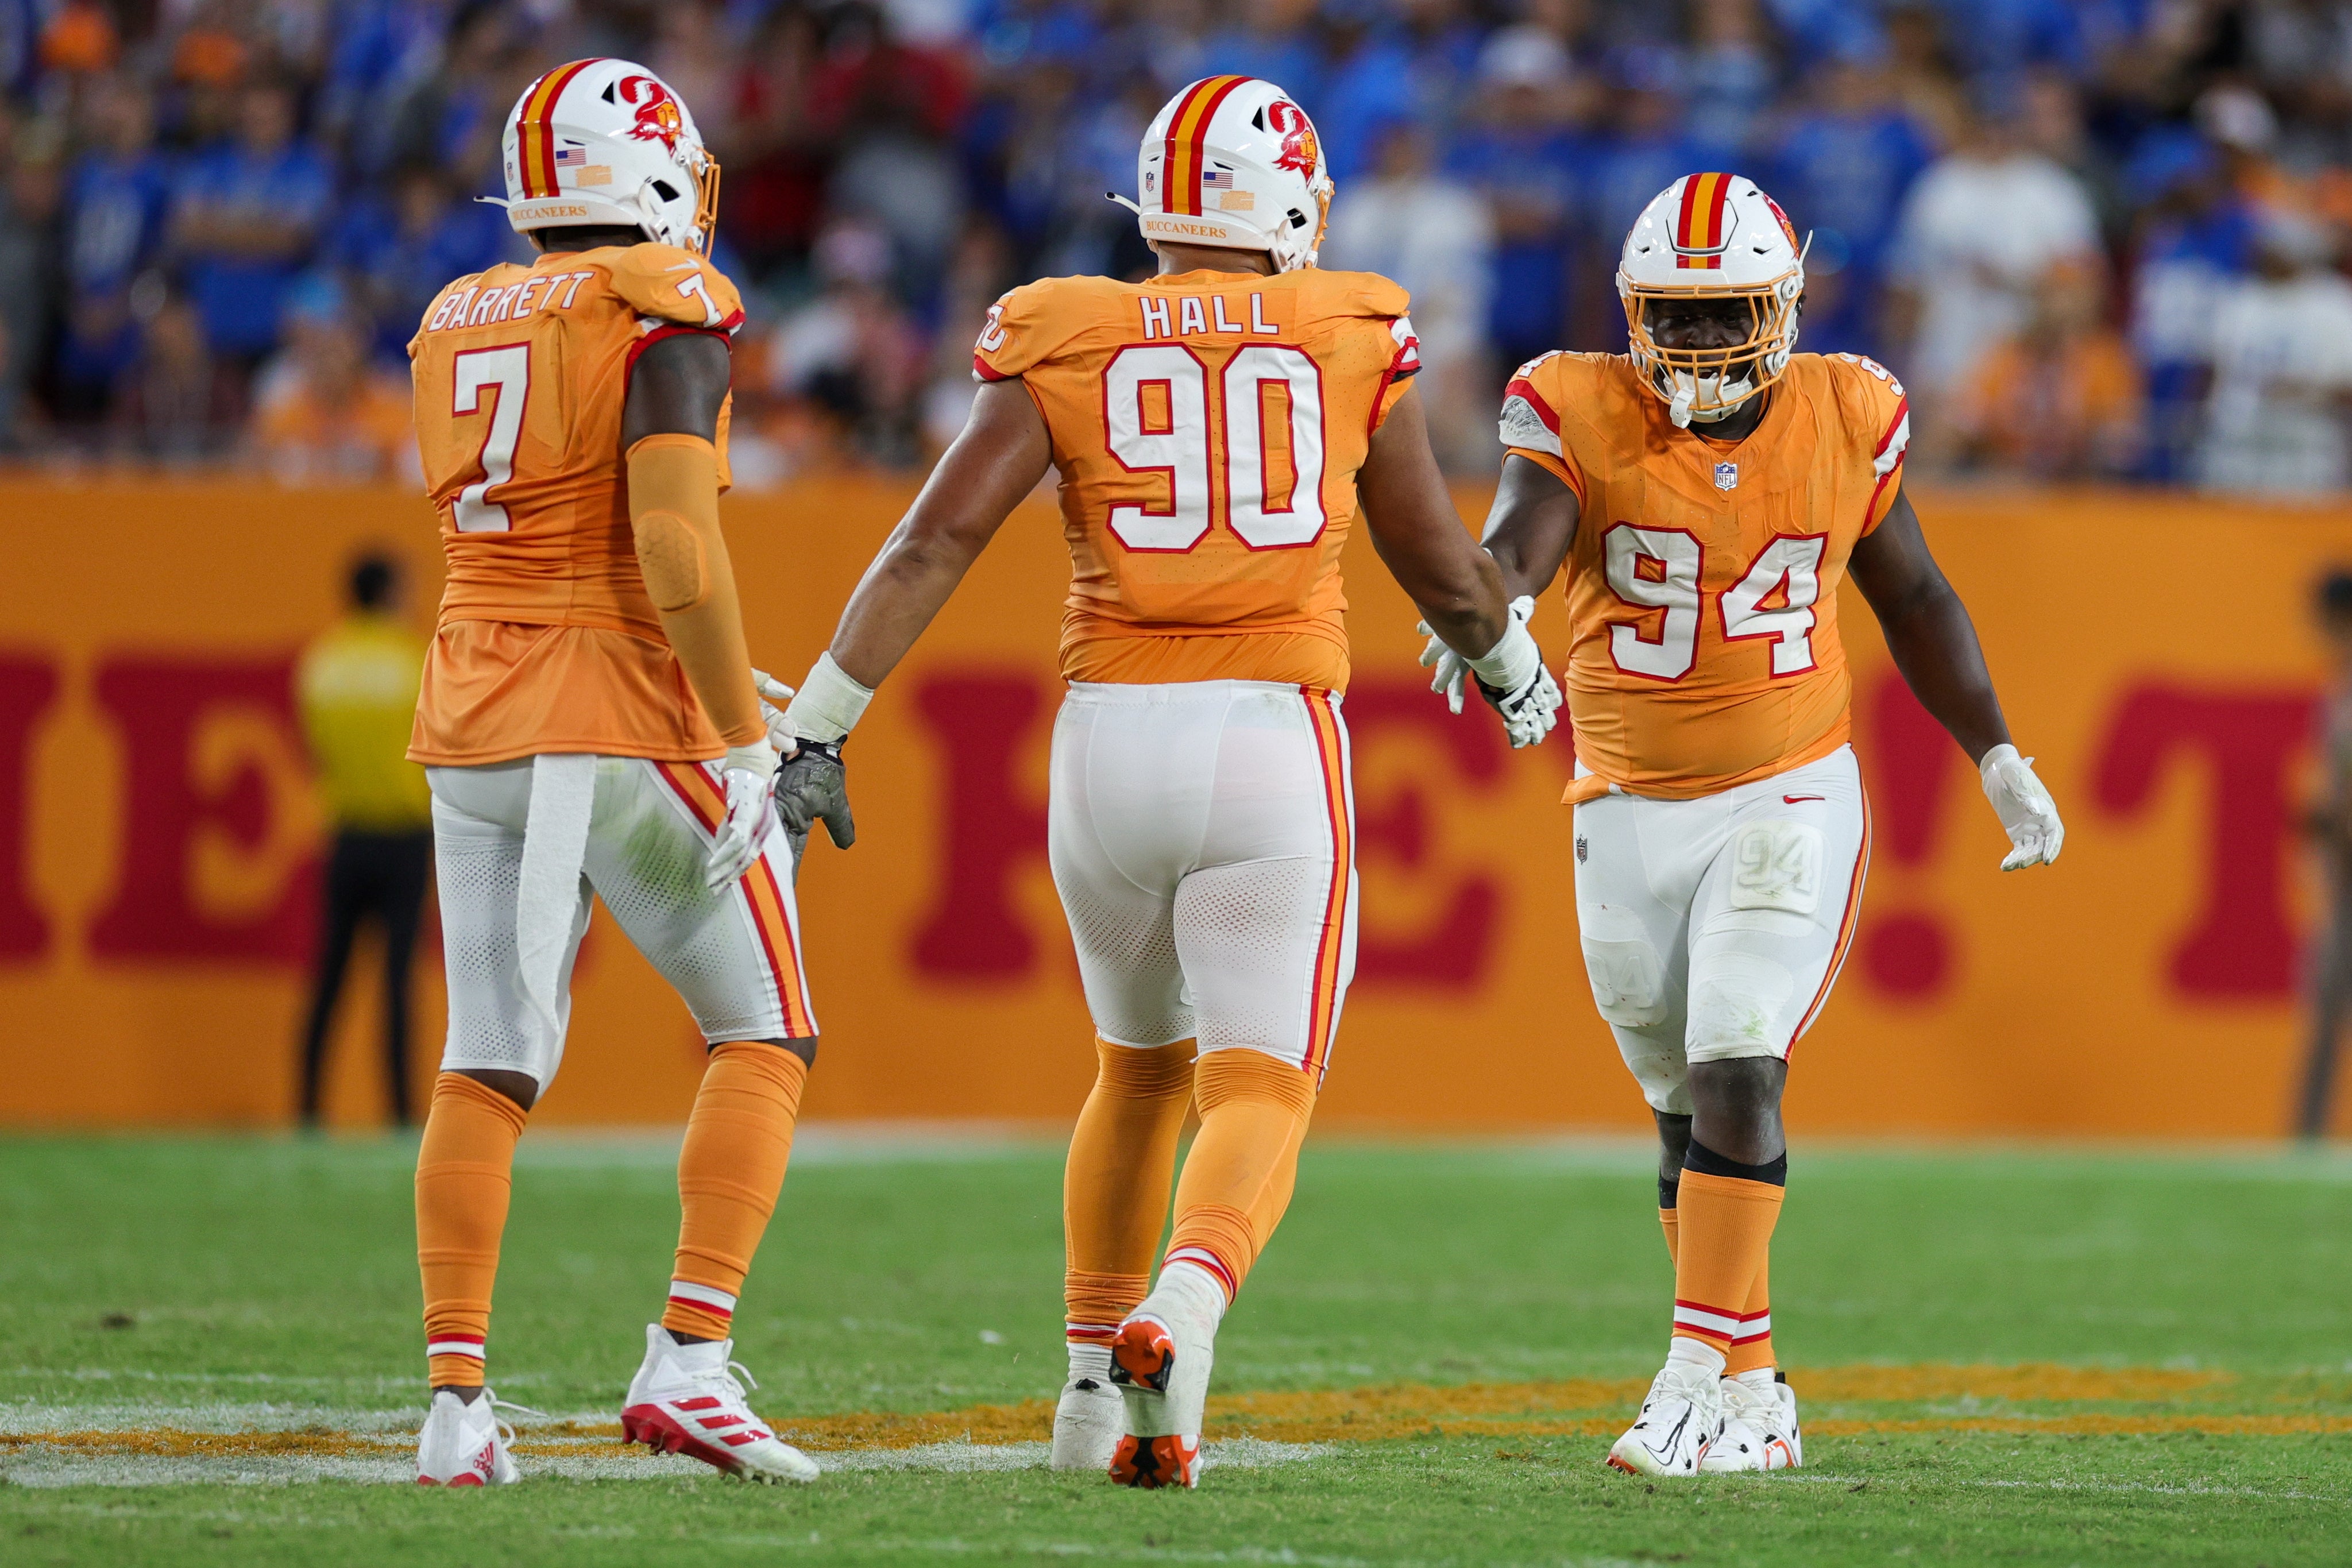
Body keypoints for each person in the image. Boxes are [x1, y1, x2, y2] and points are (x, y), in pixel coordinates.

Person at [768, 75, 1561, 1490]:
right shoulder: (1347, 322)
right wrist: (1510, 669)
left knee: (1134, 1074)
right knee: (1261, 1084)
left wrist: (823, 721)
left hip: (1105, 746)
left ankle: (1087, 1399)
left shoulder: (1066, 325)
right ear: (1291, 208)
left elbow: (936, 538)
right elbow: (1439, 562)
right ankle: (1182, 1311)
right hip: (1265, 738)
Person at [1434, 173, 2065, 1477]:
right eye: (1677, 313)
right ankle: (1759, 1393)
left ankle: (1683, 1384)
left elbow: (1916, 595)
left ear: (1782, 307)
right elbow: (1523, 537)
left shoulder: (1850, 409)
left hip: (1787, 785)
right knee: (1684, 1107)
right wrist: (1489, 608)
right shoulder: (1577, 404)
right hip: (1624, 799)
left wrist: (1995, 749)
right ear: (1633, 312)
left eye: (1728, 312)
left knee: (1738, 1057)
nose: (1703, 338)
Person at [404, 57, 826, 1488]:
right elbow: (675, 548)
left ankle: (456, 1406)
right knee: (767, 1028)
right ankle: (691, 1359)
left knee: (486, 1061)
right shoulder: (664, 303)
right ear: (644, 173)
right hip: (611, 718)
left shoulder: (454, 314)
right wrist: (740, 732)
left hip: (472, 722)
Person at [294, 552, 432, 1127]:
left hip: (347, 834)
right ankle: (399, 1115)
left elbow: (315, 747)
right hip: (405, 835)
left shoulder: (322, 663)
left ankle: (308, 1111)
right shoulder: (414, 661)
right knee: (398, 984)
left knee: (329, 977)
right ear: (392, 593)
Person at [2299, 571, 2352, 1140]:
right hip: (2341, 871)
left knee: (2328, 1001)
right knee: (2325, 1001)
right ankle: (2306, 1139)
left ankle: (2307, 1138)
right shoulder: (2338, 687)